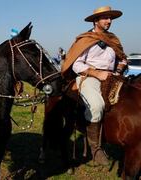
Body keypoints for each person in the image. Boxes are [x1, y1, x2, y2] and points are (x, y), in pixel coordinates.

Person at [61, 6, 128, 166]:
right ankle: (95, 148)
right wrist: (97, 73)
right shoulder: (85, 39)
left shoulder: (114, 39)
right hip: (89, 77)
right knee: (96, 106)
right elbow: (76, 64)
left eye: (110, 18)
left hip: (113, 77)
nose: (109, 21)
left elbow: (122, 58)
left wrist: (119, 67)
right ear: (95, 21)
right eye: (105, 18)